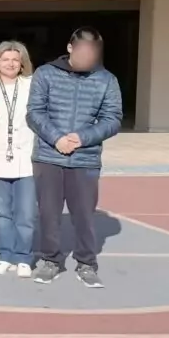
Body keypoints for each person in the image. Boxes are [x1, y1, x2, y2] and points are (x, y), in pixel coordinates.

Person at [27, 28, 123, 289]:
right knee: (48, 214)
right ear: (70, 48)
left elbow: (113, 119)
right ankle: (50, 260)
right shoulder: (45, 73)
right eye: (82, 52)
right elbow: (34, 112)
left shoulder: (107, 80)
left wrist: (83, 137)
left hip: (85, 159)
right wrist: (56, 138)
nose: (87, 58)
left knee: (84, 216)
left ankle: (86, 263)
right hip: (48, 156)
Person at [0, 41, 37, 278]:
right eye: (5, 59)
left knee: (25, 214)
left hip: (26, 158)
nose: (10, 64)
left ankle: (24, 257)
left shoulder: (31, 85)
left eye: (15, 60)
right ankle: (5, 255)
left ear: (22, 64)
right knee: (2, 212)